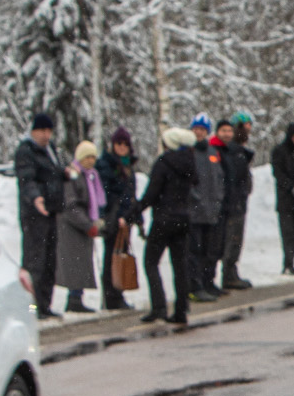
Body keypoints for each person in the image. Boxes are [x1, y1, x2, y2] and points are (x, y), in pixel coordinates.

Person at [136, 126, 199, 325]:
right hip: (183, 219)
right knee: (180, 265)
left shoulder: (163, 163)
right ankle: (181, 309)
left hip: (164, 219)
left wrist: (132, 213)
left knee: (151, 261)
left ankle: (159, 307)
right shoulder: (190, 163)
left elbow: (151, 194)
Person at [14, 112, 66, 319]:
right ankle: (32, 310)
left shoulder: (50, 150)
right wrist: (36, 198)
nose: (46, 135)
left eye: (49, 131)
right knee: (35, 262)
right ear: (33, 131)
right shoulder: (26, 151)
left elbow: (53, 174)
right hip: (34, 214)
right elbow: (27, 179)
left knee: (50, 262)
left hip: (51, 211)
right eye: (42, 131)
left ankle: (45, 305)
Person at [58, 140, 104, 312]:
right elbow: (70, 204)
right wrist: (86, 224)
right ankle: (74, 298)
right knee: (75, 264)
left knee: (82, 263)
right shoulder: (74, 174)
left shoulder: (91, 176)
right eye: (87, 157)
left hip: (84, 225)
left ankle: (77, 297)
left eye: (93, 157)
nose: (91, 161)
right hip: (73, 227)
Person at [97, 128, 139, 310]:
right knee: (111, 258)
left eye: (125, 144)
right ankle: (111, 297)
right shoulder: (107, 165)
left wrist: (133, 215)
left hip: (125, 217)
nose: (122, 147)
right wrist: (117, 214)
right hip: (113, 217)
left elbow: (131, 193)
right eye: (118, 144)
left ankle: (117, 294)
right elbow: (107, 193)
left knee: (120, 256)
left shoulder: (128, 165)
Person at [187, 115, 226, 302]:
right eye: (196, 129)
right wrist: (197, 199)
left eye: (202, 129)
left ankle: (208, 281)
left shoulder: (212, 152)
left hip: (212, 210)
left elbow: (219, 178)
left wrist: (218, 198)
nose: (198, 132)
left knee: (211, 250)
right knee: (194, 251)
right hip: (195, 211)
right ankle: (195, 285)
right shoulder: (188, 151)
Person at [219, 114, 255, 289]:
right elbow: (233, 180)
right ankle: (228, 274)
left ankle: (231, 271)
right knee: (232, 239)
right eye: (245, 126)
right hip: (234, 204)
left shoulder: (239, 152)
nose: (248, 129)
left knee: (236, 239)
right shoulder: (233, 152)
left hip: (238, 202)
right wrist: (236, 199)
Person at [270, 121, 294, 275]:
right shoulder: (280, 151)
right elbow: (278, 172)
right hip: (285, 198)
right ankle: (287, 263)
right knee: (287, 232)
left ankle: (291, 262)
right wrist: (290, 186)